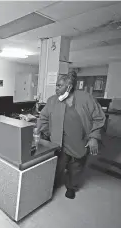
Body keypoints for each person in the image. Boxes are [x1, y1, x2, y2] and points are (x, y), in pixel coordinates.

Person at [37, 71, 106, 199]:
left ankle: (71, 187)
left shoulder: (85, 98)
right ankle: (52, 185)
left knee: (76, 167)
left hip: (79, 141)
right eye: (56, 85)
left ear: (69, 87)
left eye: (59, 86)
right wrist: (41, 132)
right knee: (57, 166)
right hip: (58, 143)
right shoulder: (52, 101)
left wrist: (94, 137)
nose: (56, 88)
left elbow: (99, 118)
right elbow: (43, 118)